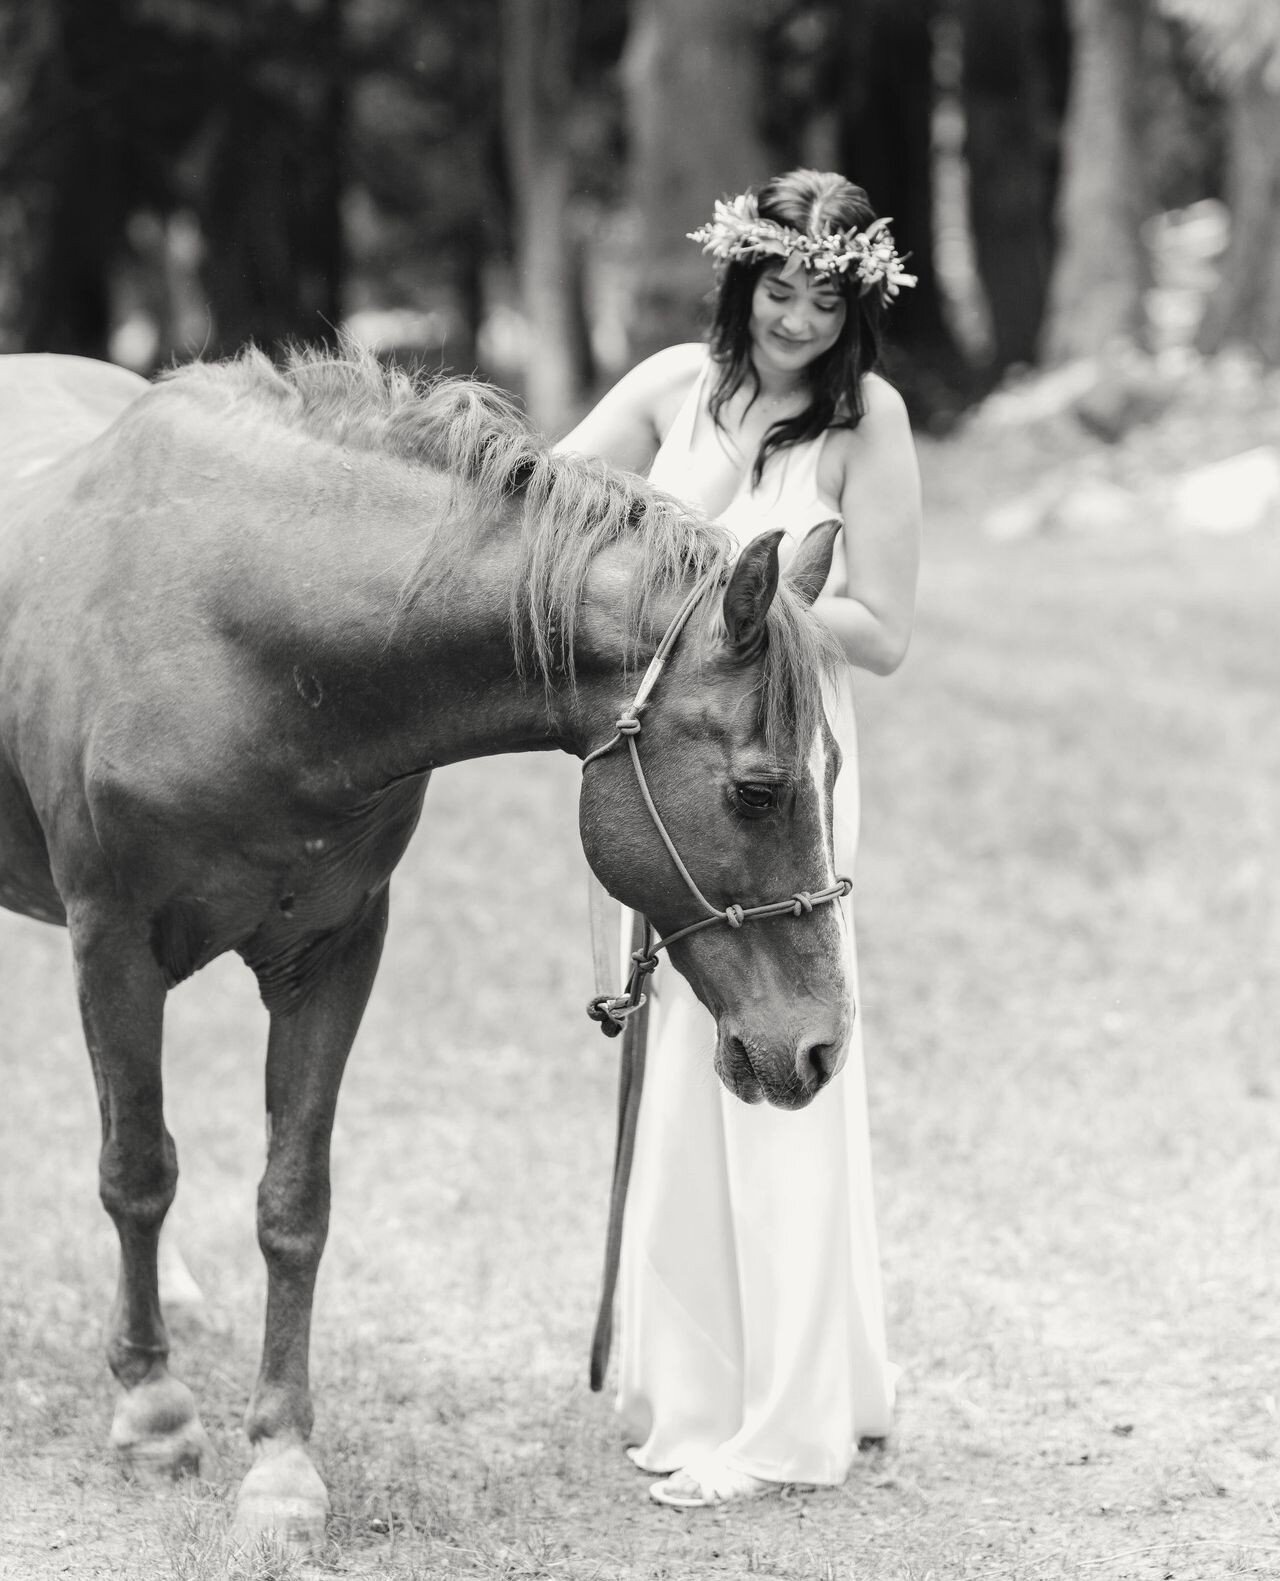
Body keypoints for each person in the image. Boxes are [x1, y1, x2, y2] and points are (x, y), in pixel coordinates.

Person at [555, 169, 922, 1509]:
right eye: (781, 286)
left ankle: (791, 1414)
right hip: (677, 762)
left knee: (781, 1047)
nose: (799, 317)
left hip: (781, 768)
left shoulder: (865, 420)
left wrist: (753, 605)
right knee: (681, 1055)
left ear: (857, 308)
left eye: (830, 296)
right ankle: (698, 1382)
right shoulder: (668, 386)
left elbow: (883, 629)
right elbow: (548, 507)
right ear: (742, 278)